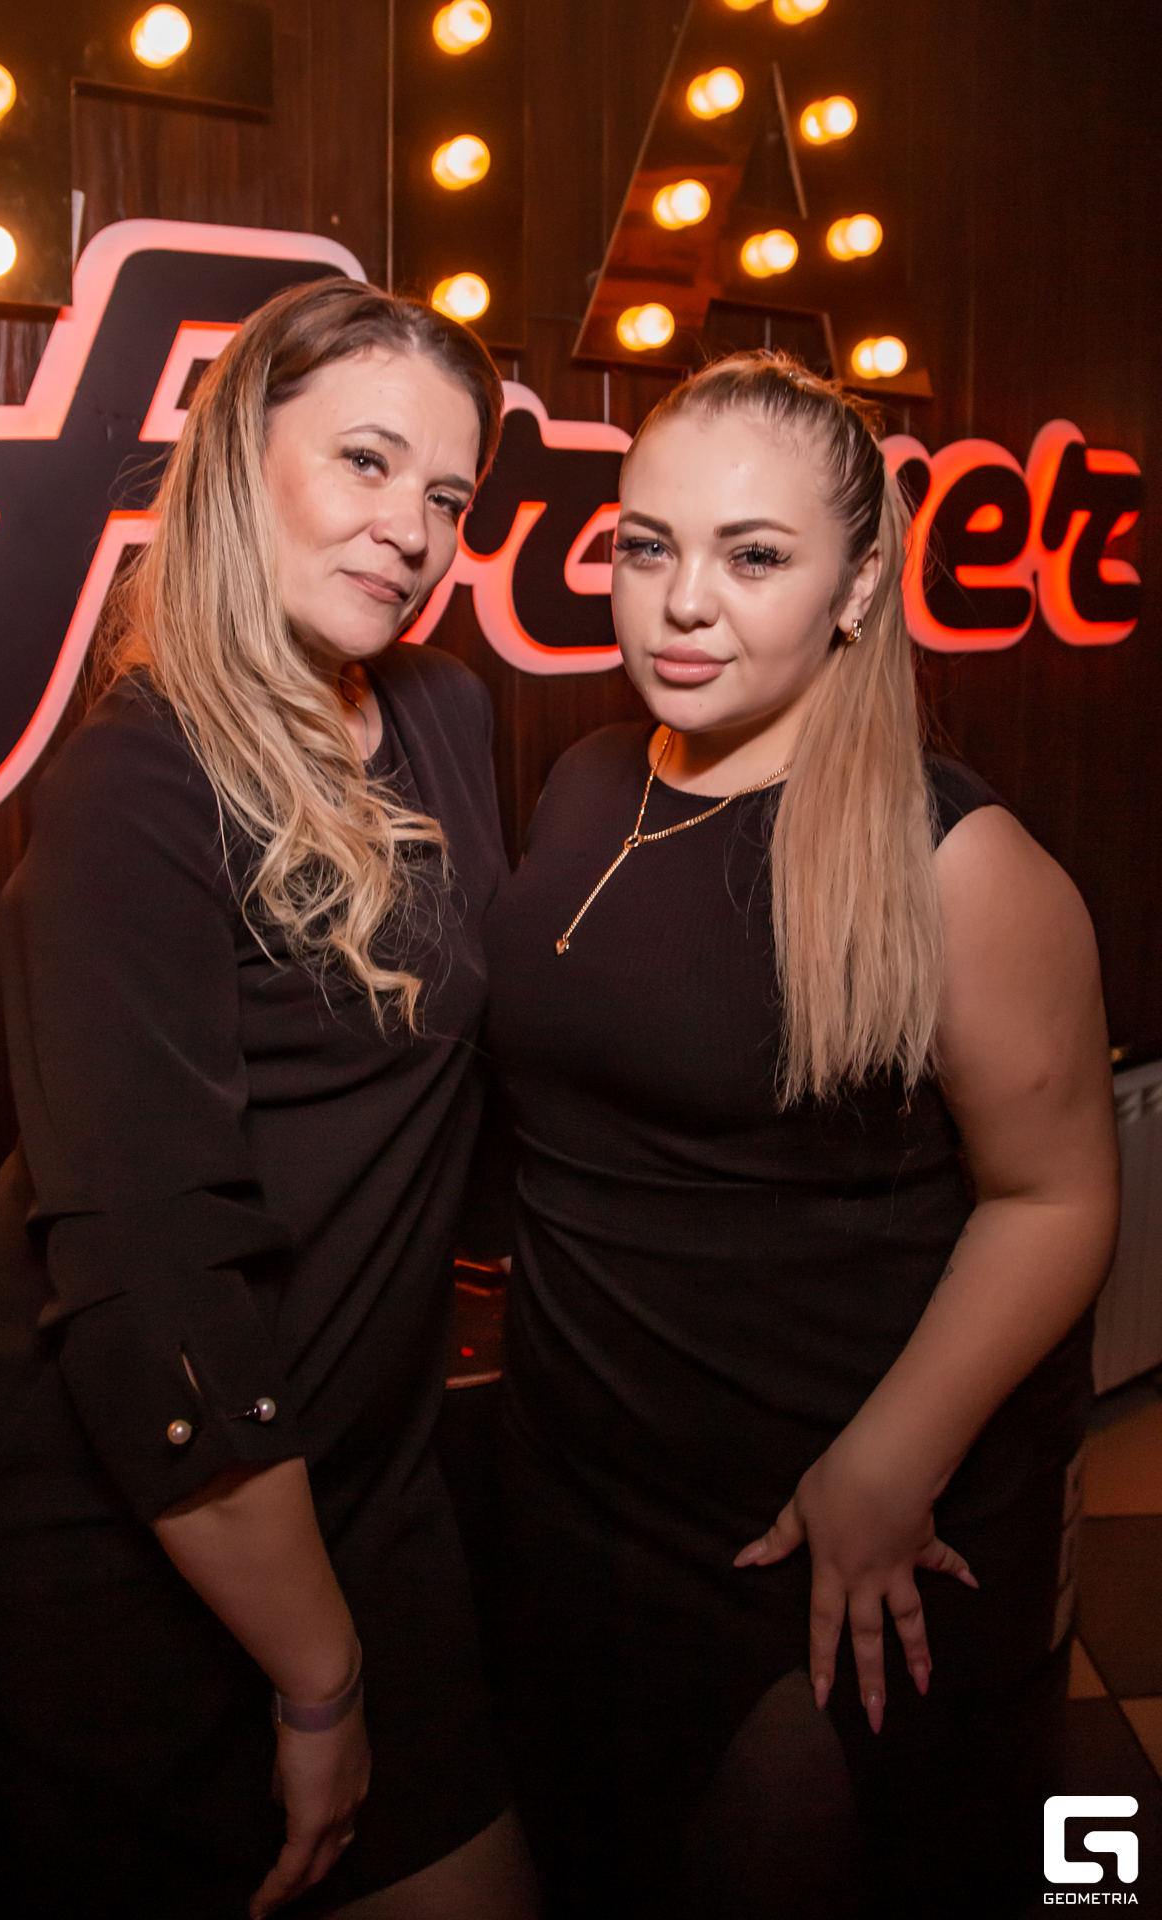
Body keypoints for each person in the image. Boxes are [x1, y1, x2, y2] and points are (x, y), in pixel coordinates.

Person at [0, 278, 538, 1920]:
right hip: (124, 1518)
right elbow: (154, 1295)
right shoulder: (139, 782)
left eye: (447, 495)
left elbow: (463, 1070)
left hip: (360, 1473)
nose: (412, 530)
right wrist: (318, 1681)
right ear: (244, 455)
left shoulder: (444, 710)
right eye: (366, 461)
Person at [481, 352, 1119, 1918]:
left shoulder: (954, 858)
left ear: (857, 586)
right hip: (573, 1498)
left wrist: (886, 1469)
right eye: (648, 546)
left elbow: (1055, 1198)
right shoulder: (584, 778)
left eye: (754, 556)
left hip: (818, 1528)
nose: (683, 602)